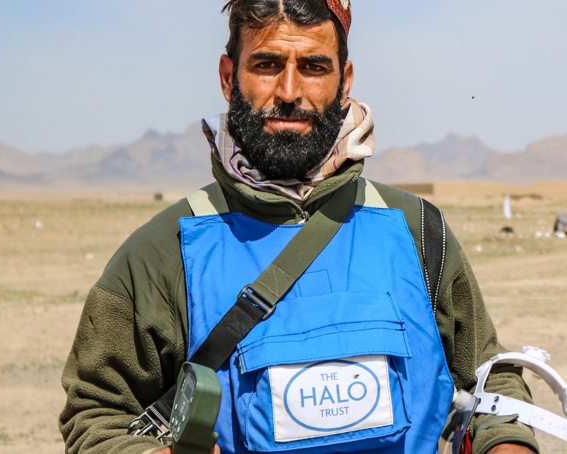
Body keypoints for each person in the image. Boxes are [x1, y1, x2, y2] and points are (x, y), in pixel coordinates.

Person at [57, 2, 537, 454]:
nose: (289, 92)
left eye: (314, 67)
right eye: (267, 65)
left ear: (344, 80)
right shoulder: (163, 252)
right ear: (229, 78)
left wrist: (506, 441)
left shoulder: (417, 229)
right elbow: (96, 416)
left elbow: (491, 377)